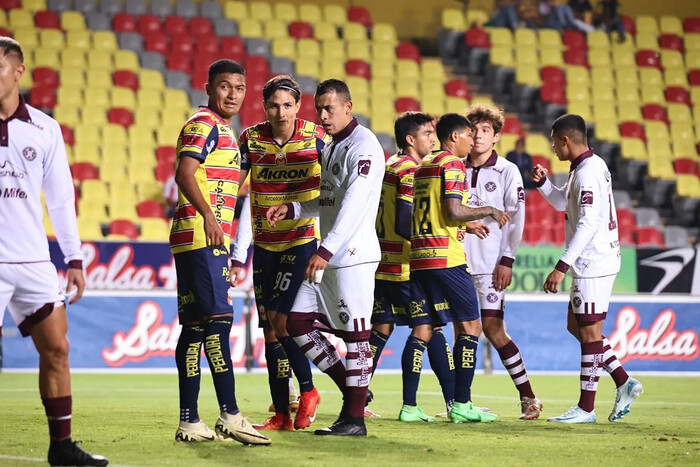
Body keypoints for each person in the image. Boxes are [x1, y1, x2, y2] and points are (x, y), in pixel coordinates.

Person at [0, 38, 107, 466]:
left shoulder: (44, 128)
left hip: (32, 262)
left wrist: (74, 258)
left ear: (18, 71)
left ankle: (60, 447)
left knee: (58, 349)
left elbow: (61, 201)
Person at [266, 79, 384, 436]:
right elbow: (329, 199)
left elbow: (354, 205)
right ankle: (354, 394)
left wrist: (325, 249)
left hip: (352, 257)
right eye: (318, 108)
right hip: (331, 255)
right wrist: (295, 207)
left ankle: (354, 420)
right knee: (294, 322)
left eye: (329, 108)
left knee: (357, 338)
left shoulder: (364, 146)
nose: (322, 115)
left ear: (349, 107)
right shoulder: (333, 145)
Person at [169, 59, 270, 445]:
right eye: (225, 86)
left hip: (200, 236)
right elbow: (184, 173)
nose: (232, 94)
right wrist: (210, 217)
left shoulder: (224, 131)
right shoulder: (203, 125)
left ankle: (190, 421)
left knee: (195, 327)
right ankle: (230, 414)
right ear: (209, 87)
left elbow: (226, 183)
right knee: (217, 322)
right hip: (201, 235)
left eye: (240, 88)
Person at [230, 75, 327, 431]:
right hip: (264, 245)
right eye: (274, 105)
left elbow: (335, 184)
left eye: (287, 105)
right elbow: (233, 183)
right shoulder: (250, 138)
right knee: (270, 331)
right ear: (264, 106)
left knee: (281, 321)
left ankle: (308, 391)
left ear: (298, 106)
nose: (280, 112)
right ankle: (283, 413)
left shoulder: (317, 138)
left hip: (300, 241)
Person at [531, 114, 642, 423]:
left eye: (554, 142)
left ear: (566, 140)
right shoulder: (586, 167)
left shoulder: (587, 173)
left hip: (593, 262)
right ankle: (624, 381)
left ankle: (586, 408)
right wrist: (544, 185)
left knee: (590, 333)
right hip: (596, 260)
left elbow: (589, 223)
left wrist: (561, 266)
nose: (553, 148)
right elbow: (563, 205)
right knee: (576, 326)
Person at [408, 113, 509, 424]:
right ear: (454, 137)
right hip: (446, 258)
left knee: (424, 329)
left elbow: (437, 210)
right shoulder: (452, 164)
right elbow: (452, 209)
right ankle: (462, 404)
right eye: (468, 135)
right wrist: (488, 209)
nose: (472, 140)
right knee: (471, 327)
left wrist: (468, 222)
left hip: (420, 257)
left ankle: (409, 404)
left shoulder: (425, 164)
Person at [367, 112, 457, 422]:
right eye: (427, 133)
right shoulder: (410, 172)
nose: (433, 139)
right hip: (405, 266)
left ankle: (357, 396)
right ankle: (452, 402)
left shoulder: (388, 165)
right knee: (431, 327)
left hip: (380, 264)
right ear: (410, 139)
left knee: (380, 329)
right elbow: (406, 222)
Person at [464, 105, 542, 420]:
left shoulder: (507, 170)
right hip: (456, 264)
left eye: (486, 130)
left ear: (496, 137)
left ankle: (528, 398)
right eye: (475, 130)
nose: (479, 136)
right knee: (462, 334)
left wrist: (506, 259)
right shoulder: (455, 166)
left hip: (489, 265)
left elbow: (516, 218)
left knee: (494, 329)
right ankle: (461, 402)